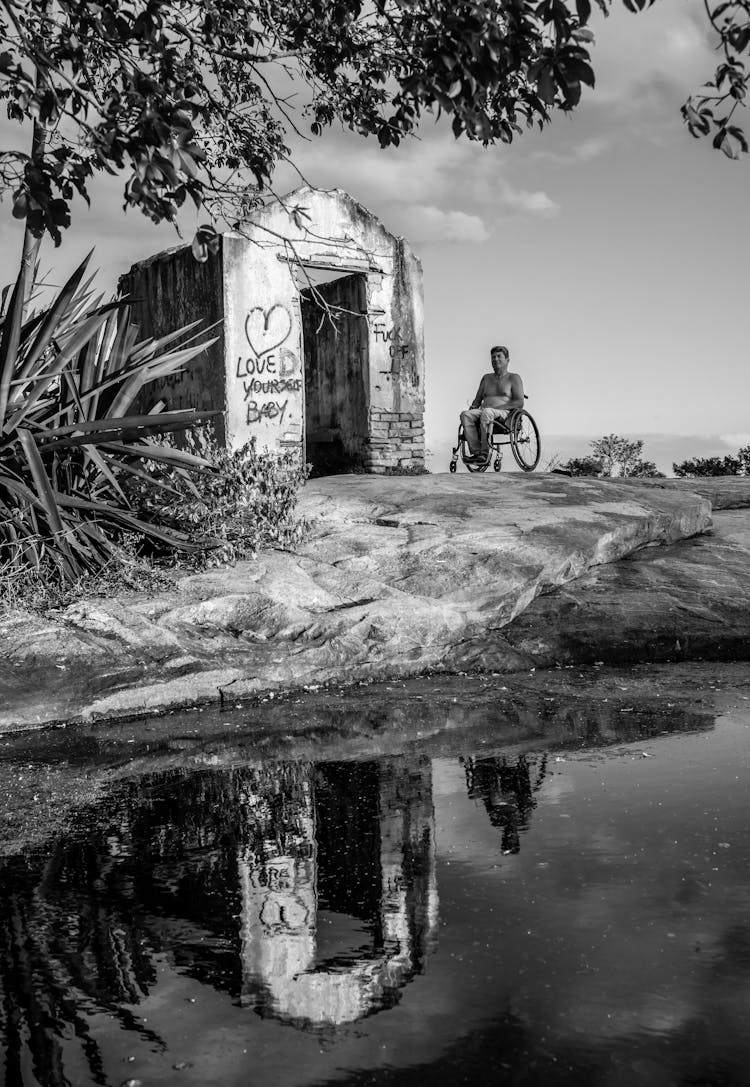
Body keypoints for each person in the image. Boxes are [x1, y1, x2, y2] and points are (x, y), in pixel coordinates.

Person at [460, 345, 525, 461]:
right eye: (493, 357)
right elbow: (477, 400)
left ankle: (484, 453)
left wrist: (500, 407)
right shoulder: (486, 378)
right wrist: (472, 408)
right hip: (485, 411)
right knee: (465, 415)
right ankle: (476, 452)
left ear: (507, 360)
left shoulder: (514, 378)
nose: (495, 359)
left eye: (499, 356)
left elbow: (519, 402)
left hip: (505, 413)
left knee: (487, 412)